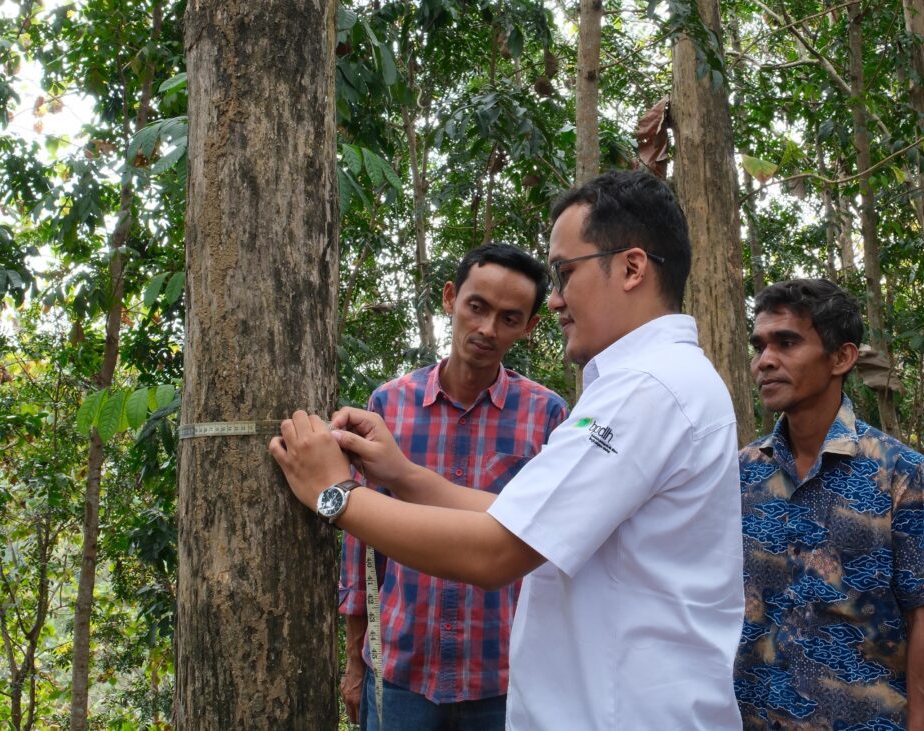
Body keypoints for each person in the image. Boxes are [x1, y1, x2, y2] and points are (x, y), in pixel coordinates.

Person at [270, 170, 745, 730]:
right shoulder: (650, 383)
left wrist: (335, 495)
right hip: (432, 678)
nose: (562, 299)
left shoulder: (648, 389)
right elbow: (523, 516)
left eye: (566, 273)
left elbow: (498, 552)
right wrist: (402, 474)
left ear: (632, 267)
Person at [339, 243, 568, 729]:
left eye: (509, 318)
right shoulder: (390, 405)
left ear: (529, 327)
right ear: (451, 299)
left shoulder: (547, 415)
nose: (487, 329)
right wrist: (355, 660)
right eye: (477, 307)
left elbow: (554, 544)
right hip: (402, 671)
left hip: (503, 677)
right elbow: (361, 543)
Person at [735, 278, 924, 730]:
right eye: (759, 346)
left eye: (787, 342)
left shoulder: (902, 476)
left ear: (842, 357)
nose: (765, 362)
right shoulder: (740, 474)